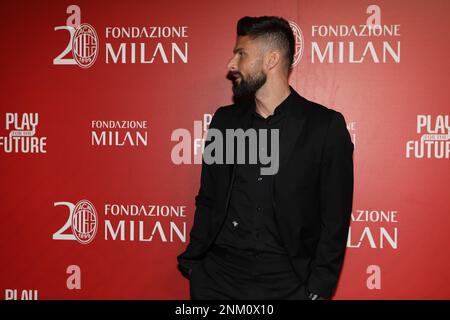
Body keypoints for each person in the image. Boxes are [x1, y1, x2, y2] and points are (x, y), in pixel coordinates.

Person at [177, 16, 354, 300]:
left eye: (241, 54)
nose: (230, 64)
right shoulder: (225, 121)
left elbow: (335, 217)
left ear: (271, 60)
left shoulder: (324, 127)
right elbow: (209, 196)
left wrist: (319, 287)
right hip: (218, 278)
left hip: (287, 282)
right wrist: (197, 265)